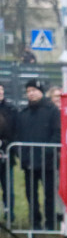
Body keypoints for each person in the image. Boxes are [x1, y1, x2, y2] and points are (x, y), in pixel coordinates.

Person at [14, 79, 60, 230]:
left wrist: (48, 151)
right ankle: (35, 222)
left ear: (41, 92)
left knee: (49, 195)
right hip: (29, 162)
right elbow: (17, 135)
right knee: (31, 195)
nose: (31, 94)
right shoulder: (23, 113)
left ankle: (50, 223)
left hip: (48, 162)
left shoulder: (52, 111)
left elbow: (57, 133)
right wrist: (21, 153)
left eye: (34, 90)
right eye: (28, 91)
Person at [0, 83, 17, 224]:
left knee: (8, 188)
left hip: (6, 155)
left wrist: (4, 145)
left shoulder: (11, 110)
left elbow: (15, 132)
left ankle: (9, 215)